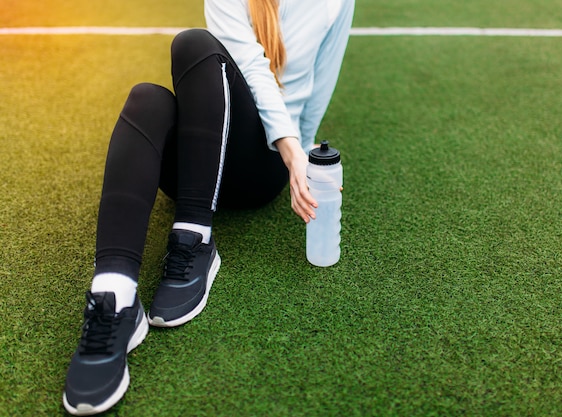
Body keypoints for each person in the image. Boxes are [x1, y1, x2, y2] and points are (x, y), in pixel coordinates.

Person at [62, 0, 354, 415]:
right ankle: (115, 297)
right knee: (149, 97)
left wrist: (299, 156)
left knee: (193, 43)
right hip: (204, 158)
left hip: (264, 164)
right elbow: (249, 66)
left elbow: (324, 75)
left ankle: (194, 239)